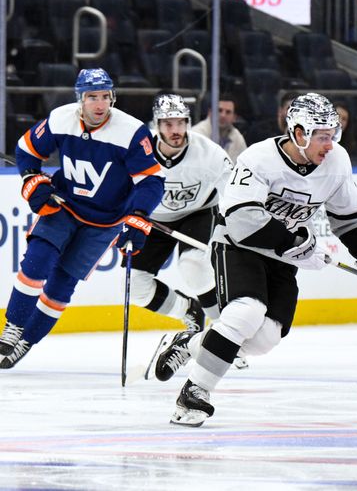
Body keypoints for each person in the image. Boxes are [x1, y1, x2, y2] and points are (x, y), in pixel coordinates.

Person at [150, 93, 357, 426]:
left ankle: (190, 343)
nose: (330, 143)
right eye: (322, 135)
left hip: (281, 257)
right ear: (298, 133)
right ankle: (194, 394)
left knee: (264, 340)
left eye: (333, 134)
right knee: (245, 312)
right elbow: (241, 220)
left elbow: (349, 216)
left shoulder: (336, 161)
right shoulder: (259, 158)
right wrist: (296, 242)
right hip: (238, 246)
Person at [0, 68, 165, 368]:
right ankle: (13, 328)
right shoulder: (61, 119)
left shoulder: (131, 131)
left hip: (105, 221)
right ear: (80, 99)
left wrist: (139, 217)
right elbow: (26, 149)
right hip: (62, 206)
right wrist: (32, 180)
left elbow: (151, 181)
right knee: (37, 261)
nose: (100, 104)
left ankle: (27, 340)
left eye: (105, 96)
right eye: (92, 97)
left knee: (62, 285)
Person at [126, 94, 232, 338]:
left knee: (194, 267)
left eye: (181, 123)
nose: (176, 130)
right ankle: (188, 311)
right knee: (136, 287)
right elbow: (119, 187)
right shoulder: (138, 152)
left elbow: (233, 192)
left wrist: (235, 227)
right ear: (156, 125)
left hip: (198, 213)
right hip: (152, 218)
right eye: (168, 124)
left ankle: (225, 332)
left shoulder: (209, 153)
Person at [193, 93, 247, 163]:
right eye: (219, 110)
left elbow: (244, 167)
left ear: (234, 118)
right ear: (210, 112)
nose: (223, 115)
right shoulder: (196, 135)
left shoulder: (238, 138)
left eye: (228, 112)